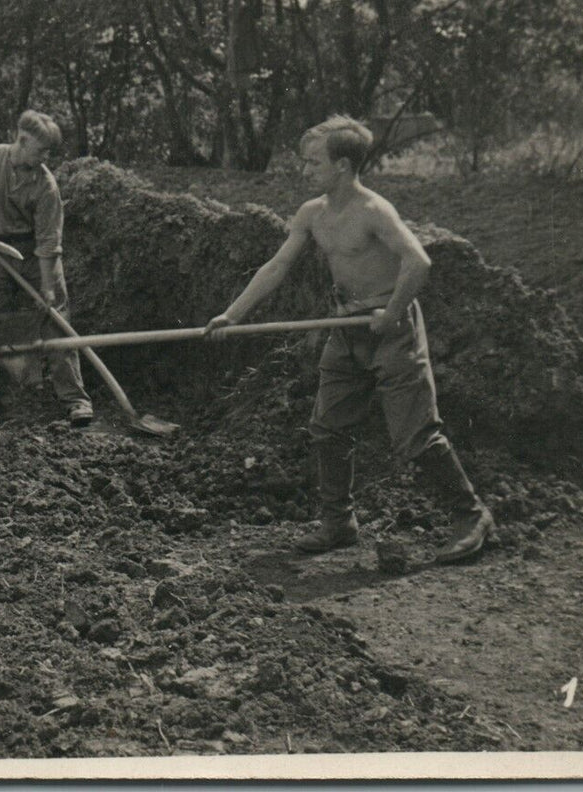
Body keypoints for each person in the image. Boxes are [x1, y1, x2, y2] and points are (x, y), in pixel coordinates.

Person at [204, 115, 495, 563]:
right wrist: (231, 314)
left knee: (415, 435)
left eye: (313, 163)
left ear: (341, 165)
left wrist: (393, 313)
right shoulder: (312, 214)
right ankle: (339, 523)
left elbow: (418, 263)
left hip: (389, 330)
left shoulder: (374, 212)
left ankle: (471, 515)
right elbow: (276, 267)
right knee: (328, 428)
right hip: (345, 329)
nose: (304, 171)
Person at [0, 110, 94, 427]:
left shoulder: (46, 186)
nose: (46, 157)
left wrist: (49, 287)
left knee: (56, 322)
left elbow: (49, 243)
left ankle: (75, 399)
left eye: (49, 152)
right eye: (42, 150)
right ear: (22, 141)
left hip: (35, 256)